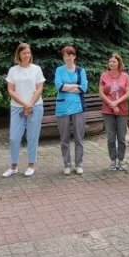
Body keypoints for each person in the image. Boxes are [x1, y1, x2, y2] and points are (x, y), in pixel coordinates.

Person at [4, 42, 45, 177]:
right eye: (24, 53)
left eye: (28, 52)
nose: (27, 55)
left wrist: (30, 104)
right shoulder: (13, 70)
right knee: (14, 137)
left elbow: (39, 88)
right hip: (17, 108)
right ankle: (14, 166)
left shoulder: (36, 69)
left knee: (32, 137)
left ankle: (31, 165)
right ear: (19, 55)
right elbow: (11, 90)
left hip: (35, 106)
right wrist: (24, 104)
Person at [55, 46, 89, 175]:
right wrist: (75, 85)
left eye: (70, 55)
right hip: (62, 107)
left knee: (79, 138)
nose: (68, 57)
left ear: (74, 56)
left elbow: (84, 88)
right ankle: (67, 164)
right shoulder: (59, 70)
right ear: (63, 57)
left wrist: (67, 87)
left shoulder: (81, 71)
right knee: (64, 138)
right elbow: (59, 86)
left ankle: (79, 164)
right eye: (65, 55)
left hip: (78, 107)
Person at [99, 53, 129, 171]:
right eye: (110, 62)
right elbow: (101, 93)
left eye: (114, 62)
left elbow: (127, 93)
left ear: (119, 63)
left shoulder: (125, 76)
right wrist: (111, 104)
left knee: (121, 138)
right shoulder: (104, 76)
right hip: (108, 110)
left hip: (122, 110)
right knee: (111, 138)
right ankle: (113, 161)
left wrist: (117, 102)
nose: (111, 63)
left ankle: (121, 161)